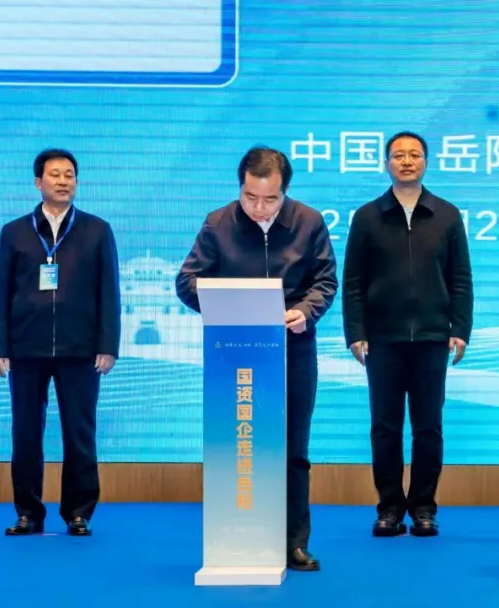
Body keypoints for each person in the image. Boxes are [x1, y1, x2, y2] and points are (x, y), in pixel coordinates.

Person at [175, 146, 337, 571]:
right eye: (250, 198)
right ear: (240, 188)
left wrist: (305, 312)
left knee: (293, 449)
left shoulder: (309, 222)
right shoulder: (218, 223)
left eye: (270, 199)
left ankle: (294, 542)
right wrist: (227, 302)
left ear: (285, 191)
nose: (259, 208)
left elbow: (325, 280)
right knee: (240, 446)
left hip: (293, 349)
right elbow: (187, 281)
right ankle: (238, 535)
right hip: (235, 353)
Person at [341, 131, 474, 538]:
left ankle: (423, 508)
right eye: (398, 155)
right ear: (386, 164)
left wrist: (460, 328)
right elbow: (353, 281)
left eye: (414, 155)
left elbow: (461, 279)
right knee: (385, 427)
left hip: (433, 339)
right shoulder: (367, 217)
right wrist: (355, 331)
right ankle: (389, 508)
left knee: (428, 427)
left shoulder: (447, 215)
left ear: (426, 162)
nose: (407, 161)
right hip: (382, 340)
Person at [0, 148, 121, 537]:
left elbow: (109, 292)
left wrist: (108, 344)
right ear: (38, 182)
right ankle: (28, 513)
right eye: (55, 174)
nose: (63, 181)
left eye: (69, 175)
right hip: (25, 349)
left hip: (81, 350)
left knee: (80, 433)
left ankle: (78, 512)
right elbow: (0, 292)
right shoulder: (15, 232)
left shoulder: (97, 230)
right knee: (26, 433)